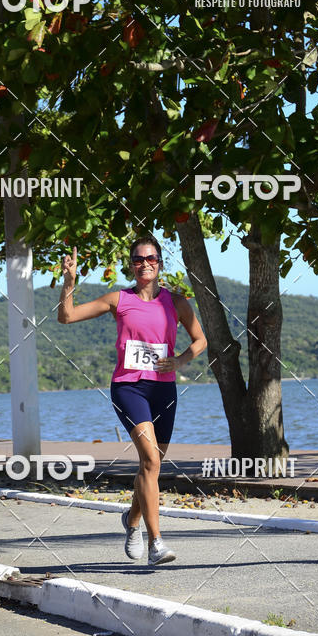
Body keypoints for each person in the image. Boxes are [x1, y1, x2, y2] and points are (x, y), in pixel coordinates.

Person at [58, 235, 207, 566]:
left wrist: (180, 360)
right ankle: (156, 544)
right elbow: (66, 316)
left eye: (150, 258)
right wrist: (69, 282)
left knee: (151, 467)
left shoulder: (177, 302)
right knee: (151, 462)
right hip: (129, 388)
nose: (144, 264)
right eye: (138, 260)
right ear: (131, 265)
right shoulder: (118, 299)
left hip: (163, 389)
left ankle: (132, 520)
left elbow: (200, 340)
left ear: (159, 263)